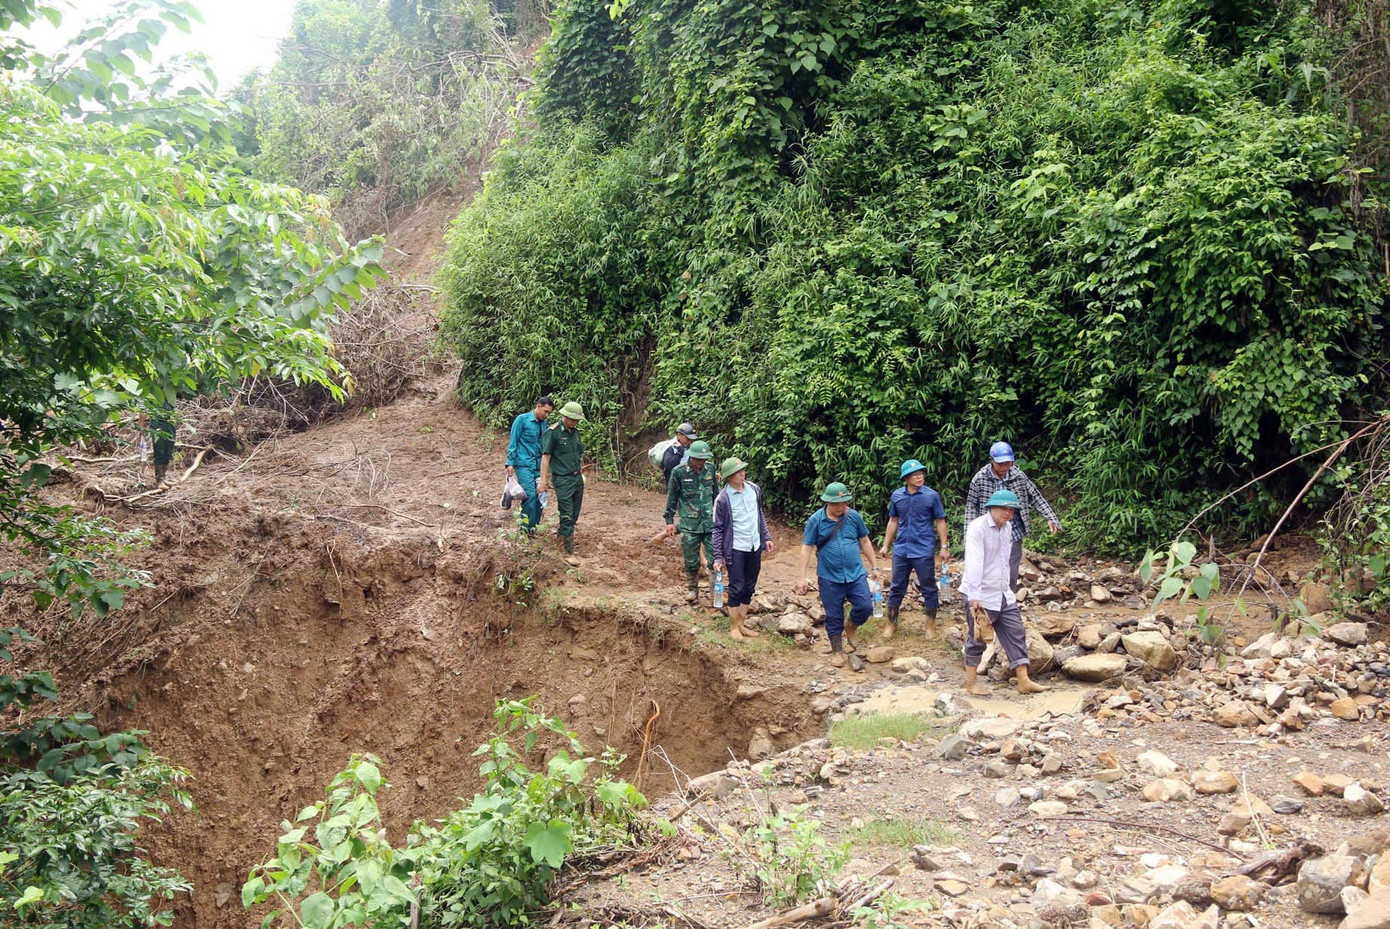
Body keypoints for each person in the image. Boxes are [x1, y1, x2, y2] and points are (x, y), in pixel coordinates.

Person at [960, 489, 1046, 696]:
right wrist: (975, 596)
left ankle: (1023, 680)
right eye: (1004, 508)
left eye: (1011, 509)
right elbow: (974, 560)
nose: (1007, 513)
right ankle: (971, 683)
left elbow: (1005, 561)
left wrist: (1007, 589)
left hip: (1001, 592)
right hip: (979, 593)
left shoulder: (1007, 528)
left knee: (1016, 632)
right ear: (992, 507)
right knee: (977, 638)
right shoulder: (977, 528)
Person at [796, 482, 881, 668]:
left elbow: (864, 540)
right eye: (837, 504)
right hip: (829, 576)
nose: (842, 507)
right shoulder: (816, 520)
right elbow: (807, 548)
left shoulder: (853, 517)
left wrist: (875, 567)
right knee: (834, 615)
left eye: (844, 503)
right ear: (827, 502)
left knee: (865, 606)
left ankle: (851, 626)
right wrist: (802, 577)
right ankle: (837, 651)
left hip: (856, 573)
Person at [963, 441, 1061, 592]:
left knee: (1011, 569)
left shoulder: (1018, 476)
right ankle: (986, 601)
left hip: (1012, 531)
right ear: (991, 461)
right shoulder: (980, 478)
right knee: (988, 569)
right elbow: (971, 507)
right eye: (1000, 464)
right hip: (988, 531)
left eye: (1007, 463)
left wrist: (1050, 517)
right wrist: (969, 536)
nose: (1004, 467)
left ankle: (1008, 602)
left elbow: (1035, 496)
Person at [878, 459, 948, 640]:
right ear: (906, 478)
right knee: (896, 587)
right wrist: (886, 544)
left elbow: (940, 521)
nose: (919, 477)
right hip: (901, 549)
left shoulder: (931, 496)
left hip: (923, 548)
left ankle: (930, 625)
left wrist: (944, 546)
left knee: (929, 587)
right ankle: (891, 623)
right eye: (915, 474)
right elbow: (893, 520)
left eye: (921, 473)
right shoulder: (897, 496)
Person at [712, 456, 774, 639]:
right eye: (737, 472)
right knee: (736, 587)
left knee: (749, 586)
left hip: (754, 545)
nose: (742, 474)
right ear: (728, 477)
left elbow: (759, 515)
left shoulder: (754, 489)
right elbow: (717, 529)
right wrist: (718, 556)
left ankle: (742, 624)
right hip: (736, 548)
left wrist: (766, 537)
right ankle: (733, 628)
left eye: (742, 470)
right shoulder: (723, 499)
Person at [663, 440, 718, 603]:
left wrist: (722, 518)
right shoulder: (679, 472)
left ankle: (716, 592)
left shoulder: (711, 469)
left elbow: (716, 495)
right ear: (691, 457)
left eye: (704, 459)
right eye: (698, 459)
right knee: (691, 560)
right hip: (689, 524)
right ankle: (692, 589)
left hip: (710, 523)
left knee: (716, 559)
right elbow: (672, 497)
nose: (701, 462)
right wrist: (669, 521)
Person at [539, 401, 586, 565]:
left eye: (577, 420)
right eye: (572, 419)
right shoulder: (553, 433)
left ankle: (560, 541)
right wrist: (543, 481)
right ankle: (568, 552)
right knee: (566, 514)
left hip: (577, 478)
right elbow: (546, 458)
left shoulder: (575, 433)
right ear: (564, 416)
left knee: (574, 514)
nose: (574, 422)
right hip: (562, 479)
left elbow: (578, 453)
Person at [505, 396, 555, 531]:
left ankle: (533, 528)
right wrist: (509, 463)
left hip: (538, 466)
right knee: (530, 496)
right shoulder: (522, 420)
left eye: (549, 413)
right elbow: (513, 441)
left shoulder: (544, 424)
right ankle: (524, 530)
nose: (546, 415)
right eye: (545, 411)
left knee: (541, 496)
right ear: (538, 406)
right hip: (523, 464)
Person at [661, 423, 699, 488]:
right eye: (688, 439)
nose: (690, 441)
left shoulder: (690, 448)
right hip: (674, 486)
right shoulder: (670, 449)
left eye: (691, 440)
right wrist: (680, 452)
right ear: (679, 435)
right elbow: (669, 465)